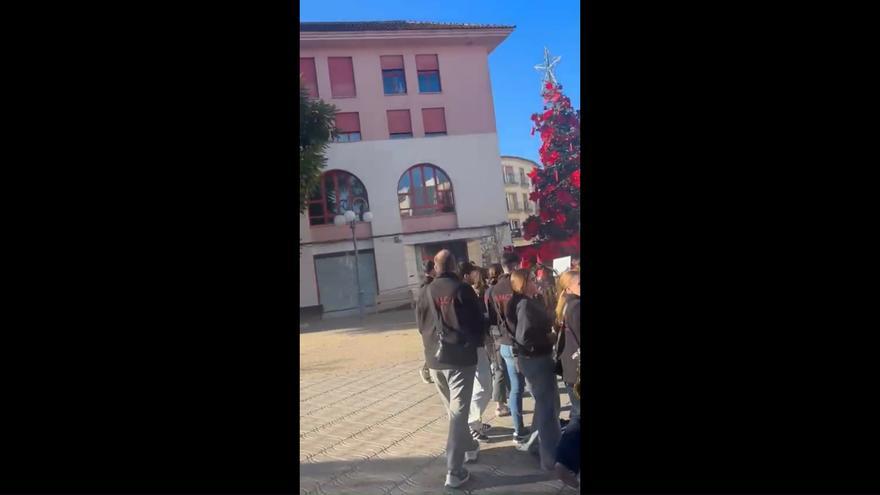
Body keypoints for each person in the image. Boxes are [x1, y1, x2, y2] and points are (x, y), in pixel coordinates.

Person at [415, 250, 484, 489]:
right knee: (458, 414)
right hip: (460, 358)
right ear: (453, 265)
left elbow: (419, 324)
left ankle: (470, 447)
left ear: (435, 266)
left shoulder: (424, 291)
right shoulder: (462, 289)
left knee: (455, 413)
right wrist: (476, 342)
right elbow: (478, 321)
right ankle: (454, 471)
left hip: (434, 359)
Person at [507, 269, 561, 471]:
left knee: (546, 404)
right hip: (536, 359)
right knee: (548, 408)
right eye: (531, 279)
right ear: (522, 283)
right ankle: (550, 457)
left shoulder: (527, 301)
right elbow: (525, 337)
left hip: (534, 359)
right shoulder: (524, 305)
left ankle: (534, 445)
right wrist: (548, 338)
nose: (535, 282)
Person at [486, 252, 529, 444]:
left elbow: (492, 319)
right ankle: (520, 431)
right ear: (515, 265)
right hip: (519, 343)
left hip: (502, 342)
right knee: (522, 387)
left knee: (514, 387)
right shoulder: (517, 286)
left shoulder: (492, 290)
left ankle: (519, 427)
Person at [465, 266, 493, 443]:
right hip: (471, 346)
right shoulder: (464, 296)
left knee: (482, 386)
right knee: (483, 386)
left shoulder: (471, 296)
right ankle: (471, 422)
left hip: (478, 345)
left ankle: (474, 421)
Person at [555, 270, 581, 421]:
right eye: (579, 283)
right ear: (568, 289)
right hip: (575, 370)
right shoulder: (576, 306)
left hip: (571, 368)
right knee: (578, 417)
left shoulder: (567, 304)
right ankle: (567, 444)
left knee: (577, 413)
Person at [485, 263, 510, 417]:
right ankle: (501, 404)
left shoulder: (488, 291)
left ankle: (501, 403)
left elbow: (489, 314)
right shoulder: (505, 289)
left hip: (494, 332)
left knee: (499, 368)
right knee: (502, 369)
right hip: (504, 332)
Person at [417, 260, 436, 384]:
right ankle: (426, 370)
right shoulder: (430, 287)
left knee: (432, 349)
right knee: (433, 349)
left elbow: (419, 311)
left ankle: (427, 370)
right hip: (432, 323)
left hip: (426, 325)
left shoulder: (423, 287)